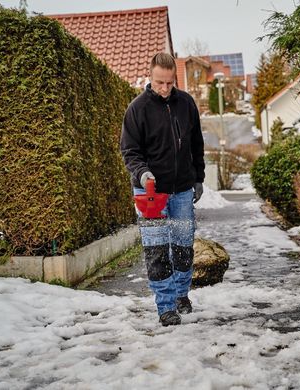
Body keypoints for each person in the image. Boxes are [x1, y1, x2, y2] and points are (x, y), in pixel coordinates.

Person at [120, 52, 205, 327]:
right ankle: (165, 306)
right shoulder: (137, 109)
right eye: (159, 83)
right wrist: (143, 174)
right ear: (151, 76)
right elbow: (130, 151)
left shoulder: (186, 103)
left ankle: (181, 295)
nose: (165, 88)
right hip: (150, 193)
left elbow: (197, 144)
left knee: (183, 245)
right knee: (156, 249)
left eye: (169, 83)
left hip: (181, 189)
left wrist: (198, 178)